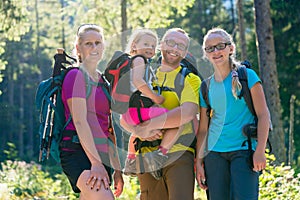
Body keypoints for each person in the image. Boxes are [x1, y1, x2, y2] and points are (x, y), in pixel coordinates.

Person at [121, 28, 201, 200]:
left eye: (181, 45)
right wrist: (139, 132)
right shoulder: (145, 75)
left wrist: (148, 126)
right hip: (145, 154)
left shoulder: (190, 79)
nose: (175, 48)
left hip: (178, 152)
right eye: (171, 42)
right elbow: (125, 117)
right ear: (161, 45)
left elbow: (186, 114)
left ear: (185, 52)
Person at [195, 27, 270, 200]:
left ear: (231, 48)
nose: (216, 51)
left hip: (244, 151)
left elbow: (263, 115)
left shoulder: (247, 76)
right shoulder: (205, 87)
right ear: (206, 54)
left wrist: (260, 150)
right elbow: (204, 130)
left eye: (220, 46)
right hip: (214, 154)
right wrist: (198, 162)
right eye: (210, 48)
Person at [59, 24, 124, 200]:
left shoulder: (103, 81)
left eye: (98, 43)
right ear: (78, 48)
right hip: (77, 151)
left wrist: (117, 169)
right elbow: (80, 121)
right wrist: (95, 163)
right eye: (88, 44)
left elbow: (109, 128)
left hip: (102, 156)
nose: (94, 48)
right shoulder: (75, 76)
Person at [121, 28, 183, 177]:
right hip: (142, 110)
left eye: (153, 45)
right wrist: (156, 98)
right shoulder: (139, 60)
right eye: (146, 44)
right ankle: (160, 154)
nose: (150, 48)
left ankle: (130, 160)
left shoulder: (132, 63)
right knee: (178, 122)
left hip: (130, 113)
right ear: (134, 45)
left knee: (137, 132)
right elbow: (137, 81)